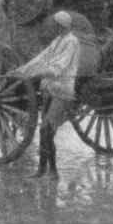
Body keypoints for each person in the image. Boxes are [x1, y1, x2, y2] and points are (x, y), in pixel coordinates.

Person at [15, 11, 80, 179]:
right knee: (46, 131)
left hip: (62, 91)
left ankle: (52, 171)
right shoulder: (57, 41)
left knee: (46, 130)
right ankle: (43, 170)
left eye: (56, 25)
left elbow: (59, 67)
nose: (53, 27)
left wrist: (38, 74)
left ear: (61, 25)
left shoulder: (71, 42)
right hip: (49, 90)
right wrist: (22, 71)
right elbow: (40, 58)